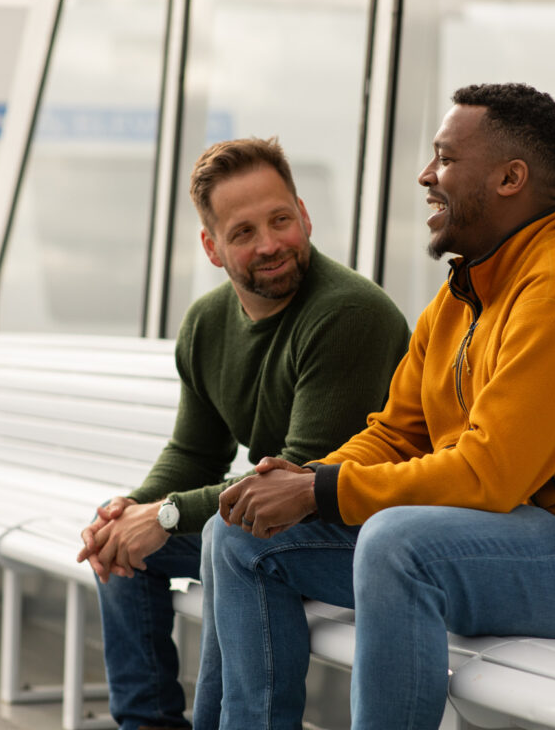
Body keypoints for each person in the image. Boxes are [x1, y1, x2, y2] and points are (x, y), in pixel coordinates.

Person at [197, 83, 555, 730]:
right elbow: (394, 433)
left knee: (397, 544)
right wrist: (299, 482)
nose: (425, 175)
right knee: (238, 535)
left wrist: (325, 492)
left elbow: (488, 476)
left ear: (509, 177)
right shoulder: (463, 296)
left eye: (444, 159)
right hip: (509, 545)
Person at [76, 137, 410, 730]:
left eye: (281, 220)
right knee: (115, 535)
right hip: (263, 523)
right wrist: (134, 508)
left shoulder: (349, 314)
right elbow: (194, 451)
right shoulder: (207, 322)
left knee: (226, 539)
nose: (271, 244)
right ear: (211, 247)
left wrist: (167, 515)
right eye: (244, 232)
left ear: (304, 215)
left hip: (356, 534)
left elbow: (302, 476)